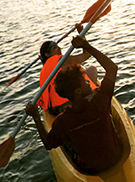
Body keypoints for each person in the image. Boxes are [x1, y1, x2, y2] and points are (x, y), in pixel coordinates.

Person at [25, 36, 123, 174]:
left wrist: (36, 117)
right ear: (78, 91)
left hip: (90, 168)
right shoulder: (100, 101)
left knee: (68, 141)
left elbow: (48, 144)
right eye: (84, 81)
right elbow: (112, 68)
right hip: (116, 156)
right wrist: (86, 45)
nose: (88, 81)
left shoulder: (62, 121)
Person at [37, 29, 99, 115]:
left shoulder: (44, 68)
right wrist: (82, 34)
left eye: (58, 46)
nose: (59, 48)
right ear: (47, 54)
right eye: (55, 48)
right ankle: (94, 95)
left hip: (56, 109)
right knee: (92, 69)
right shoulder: (61, 60)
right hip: (71, 105)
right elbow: (87, 54)